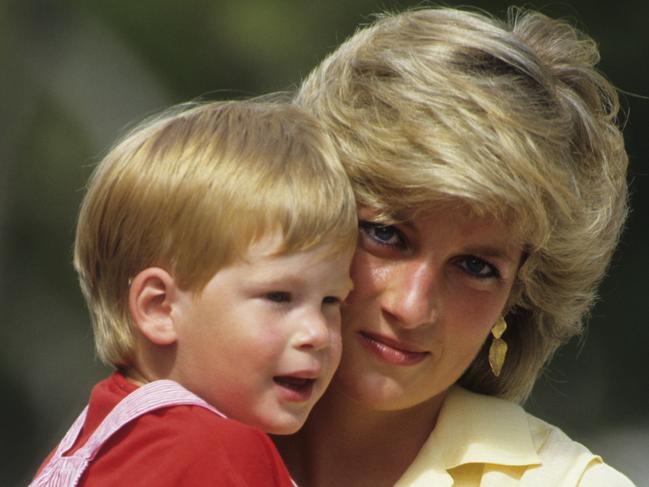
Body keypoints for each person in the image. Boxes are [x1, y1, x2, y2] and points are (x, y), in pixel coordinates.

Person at [274, 6, 635, 487]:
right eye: (385, 234)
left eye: (475, 266)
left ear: (519, 298)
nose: (412, 306)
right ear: (310, 205)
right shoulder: (155, 417)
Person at [31, 100, 357, 486]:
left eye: (331, 302)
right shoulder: (215, 451)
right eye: (279, 297)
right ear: (160, 307)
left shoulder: (95, 443)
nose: (317, 333)